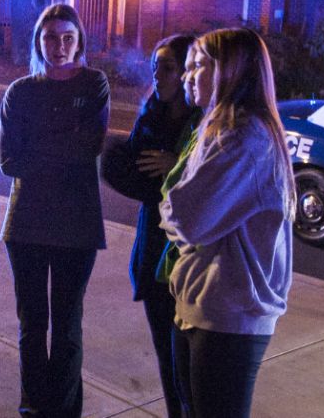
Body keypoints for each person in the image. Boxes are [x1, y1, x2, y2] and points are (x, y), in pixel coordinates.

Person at [159, 27, 297, 418]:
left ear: (232, 70)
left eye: (199, 65)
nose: (187, 76)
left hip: (229, 317)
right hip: (201, 306)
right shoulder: (216, 129)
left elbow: (185, 216)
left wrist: (171, 209)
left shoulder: (245, 139)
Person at [0, 3, 110, 418]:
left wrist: (38, 142)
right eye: (49, 37)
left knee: (67, 326)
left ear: (79, 41)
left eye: (67, 37)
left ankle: (63, 411)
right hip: (25, 224)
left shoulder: (95, 84)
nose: (58, 46)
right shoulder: (20, 91)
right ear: (37, 41)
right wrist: (65, 140)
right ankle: (32, 407)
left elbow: (89, 148)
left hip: (77, 226)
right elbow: (9, 161)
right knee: (32, 327)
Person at [101, 34, 199, 418]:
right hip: (153, 256)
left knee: (192, 370)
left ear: (188, 72)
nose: (159, 76)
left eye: (169, 68)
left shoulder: (203, 123)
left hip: (189, 264)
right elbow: (127, 172)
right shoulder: (151, 117)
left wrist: (177, 163)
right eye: (155, 67)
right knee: (169, 363)